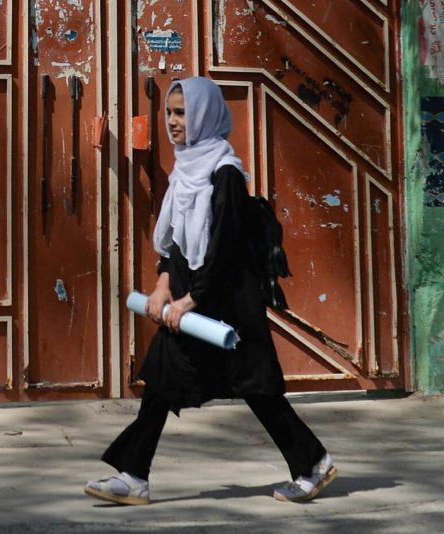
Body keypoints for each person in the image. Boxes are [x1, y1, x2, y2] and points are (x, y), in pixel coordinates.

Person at [83, 76, 337, 506]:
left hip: (228, 305)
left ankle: (313, 463)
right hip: (192, 299)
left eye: (182, 113)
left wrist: (190, 299)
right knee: (161, 380)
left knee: (257, 389)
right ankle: (133, 476)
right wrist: (163, 285)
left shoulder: (225, 174)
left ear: (204, 115)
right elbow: (177, 241)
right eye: (169, 112)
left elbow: (224, 248)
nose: (172, 121)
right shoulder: (186, 167)